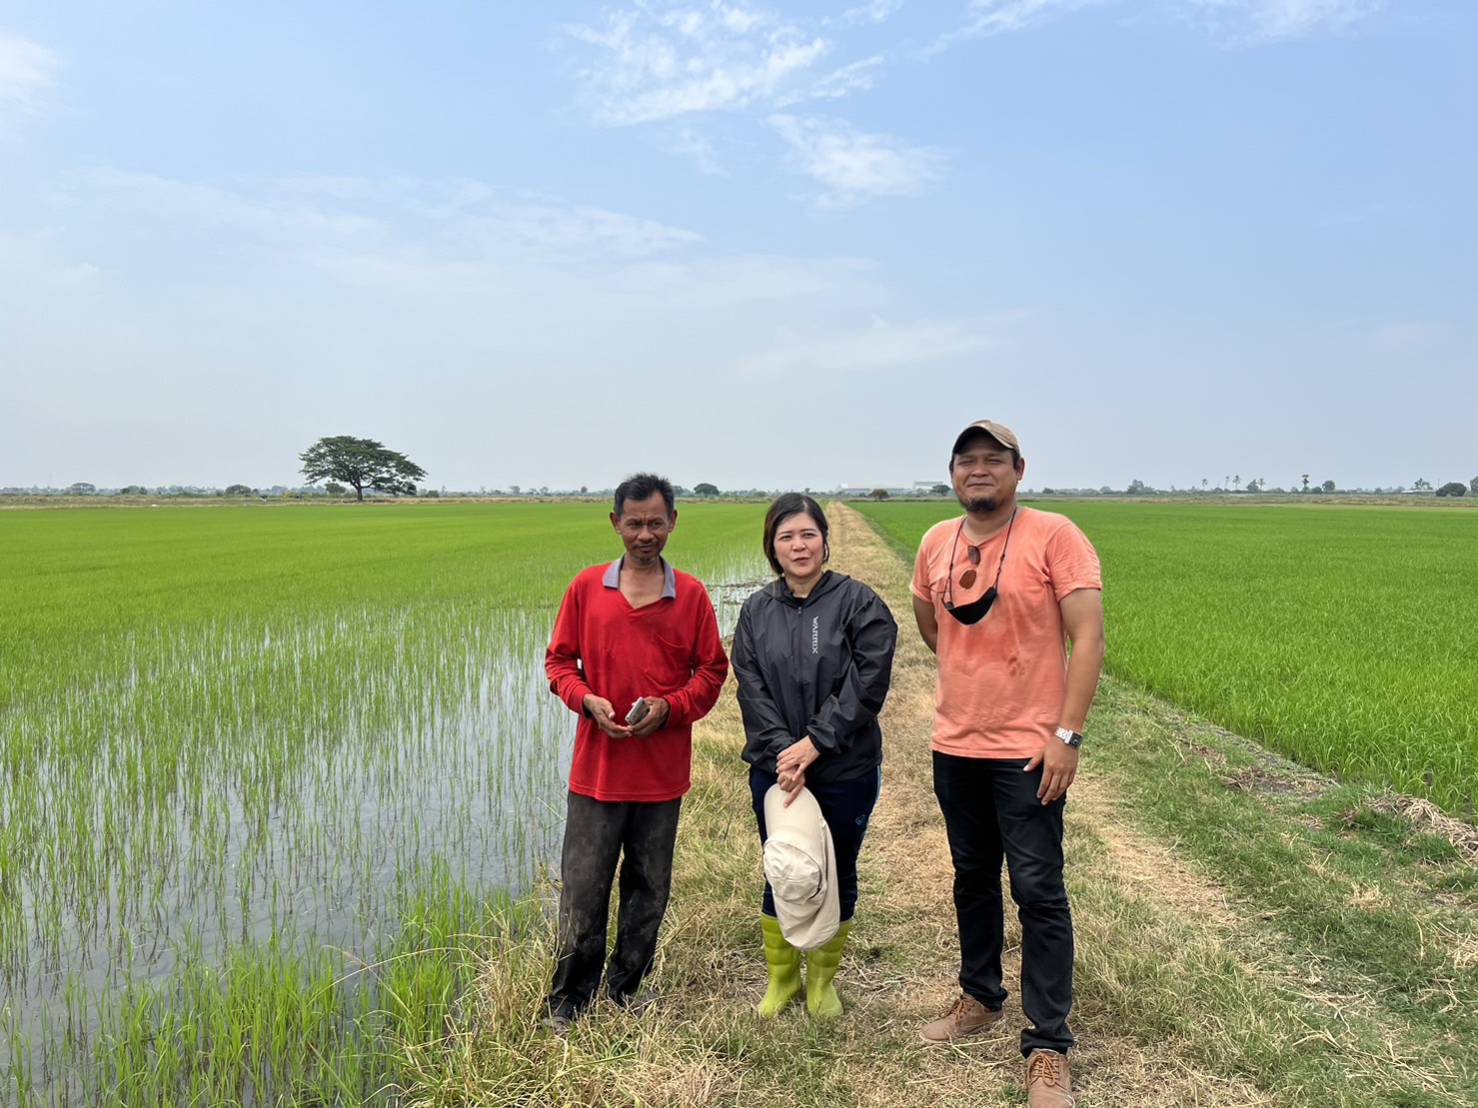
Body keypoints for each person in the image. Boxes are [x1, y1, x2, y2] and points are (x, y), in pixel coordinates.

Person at [911, 422, 1105, 1108]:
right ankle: (980, 996)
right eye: (967, 460)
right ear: (954, 474)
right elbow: (928, 617)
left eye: (994, 459)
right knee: (971, 877)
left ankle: (1048, 1045)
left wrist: (1067, 737)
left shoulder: (1055, 535)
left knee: (1038, 889)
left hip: (1028, 752)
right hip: (955, 744)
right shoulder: (937, 541)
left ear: (1020, 470)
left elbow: (1088, 640)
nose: (979, 470)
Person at [542, 473, 729, 1031]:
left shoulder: (691, 596)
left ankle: (625, 988)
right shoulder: (585, 589)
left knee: (649, 888)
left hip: (660, 778)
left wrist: (671, 708)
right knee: (583, 889)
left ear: (673, 522)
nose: (645, 534)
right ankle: (570, 998)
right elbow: (558, 665)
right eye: (634, 523)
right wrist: (587, 700)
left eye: (655, 523)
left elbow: (713, 672)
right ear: (615, 523)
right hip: (596, 776)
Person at [732, 493, 897, 1019]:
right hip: (776, 769)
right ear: (772, 548)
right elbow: (750, 685)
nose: (798, 545)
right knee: (782, 868)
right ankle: (781, 981)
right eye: (786, 536)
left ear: (825, 540)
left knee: (837, 868)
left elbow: (868, 683)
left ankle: (822, 984)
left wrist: (816, 743)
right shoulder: (757, 609)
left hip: (844, 766)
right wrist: (785, 752)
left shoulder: (859, 603)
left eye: (807, 534)